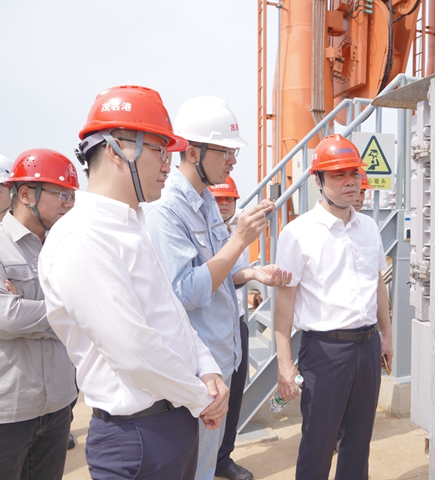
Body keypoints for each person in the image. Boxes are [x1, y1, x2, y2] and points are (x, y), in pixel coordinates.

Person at [39, 85, 229, 480]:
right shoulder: (82, 237)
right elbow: (132, 349)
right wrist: (201, 397)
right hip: (137, 435)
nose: (168, 165)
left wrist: (207, 367)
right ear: (116, 149)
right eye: (160, 150)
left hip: (174, 417)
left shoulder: (132, 223)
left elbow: (172, 314)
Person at [145, 96, 290, 480]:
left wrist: (253, 271)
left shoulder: (206, 200)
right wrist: (239, 239)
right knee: (192, 466)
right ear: (193, 152)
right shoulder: (166, 210)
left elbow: (222, 269)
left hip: (222, 354)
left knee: (206, 461)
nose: (232, 161)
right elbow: (184, 292)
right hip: (197, 367)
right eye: (225, 151)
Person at [273, 134, 393, 479]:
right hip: (325, 352)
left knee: (359, 441)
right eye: (338, 174)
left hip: (367, 347)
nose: (349, 181)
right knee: (319, 443)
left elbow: (377, 283)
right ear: (319, 180)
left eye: (354, 172)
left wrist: (386, 335)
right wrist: (284, 362)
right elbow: (285, 301)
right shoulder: (298, 233)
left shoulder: (368, 227)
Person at [0, 148, 79, 479]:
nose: (69, 203)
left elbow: (93, 310)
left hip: (58, 405)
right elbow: (7, 318)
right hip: (0, 412)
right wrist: (70, 310)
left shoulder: (66, 250)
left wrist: (30, 308)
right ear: (25, 194)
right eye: (61, 194)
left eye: (72, 195)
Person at [207, 176, 251, 478]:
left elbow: (237, 274)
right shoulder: (196, 234)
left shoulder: (237, 235)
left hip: (237, 323)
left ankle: (223, 458)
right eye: (217, 200)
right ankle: (200, 462)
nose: (223, 205)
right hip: (208, 328)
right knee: (208, 396)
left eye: (228, 200)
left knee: (234, 394)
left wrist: (254, 273)